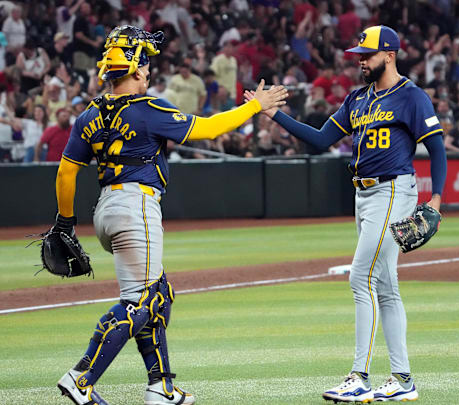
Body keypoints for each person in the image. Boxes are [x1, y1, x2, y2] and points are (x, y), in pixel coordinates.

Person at [53, 25, 286, 405]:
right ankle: (82, 376)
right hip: (136, 206)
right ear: (137, 69)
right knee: (140, 302)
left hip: (106, 210)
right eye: (145, 64)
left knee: (159, 295)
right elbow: (209, 129)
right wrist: (254, 106)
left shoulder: (89, 114)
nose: (148, 70)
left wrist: (65, 223)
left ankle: (161, 387)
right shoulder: (148, 109)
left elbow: (66, 172)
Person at [245, 25, 447, 403]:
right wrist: (273, 113)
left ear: (389, 55)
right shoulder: (359, 99)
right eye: (359, 56)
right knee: (385, 287)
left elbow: (436, 148)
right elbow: (321, 139)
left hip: (391, 190)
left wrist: (436, 199)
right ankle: (403, 381)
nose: (361, 61)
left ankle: (359, 376)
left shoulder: (412, 97)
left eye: (367, 55)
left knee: (360, 278)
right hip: (364, 196)